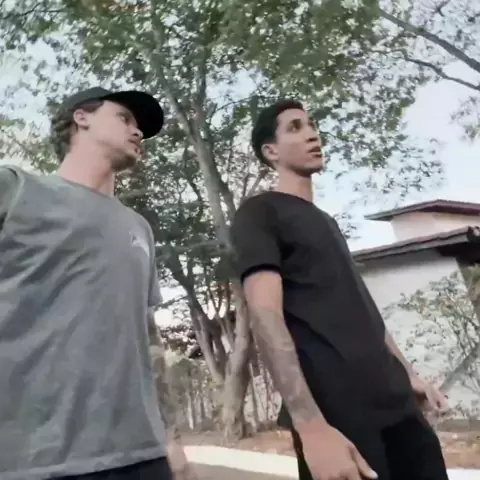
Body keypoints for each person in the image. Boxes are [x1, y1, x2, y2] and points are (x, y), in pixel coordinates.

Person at [230, 99, 450, 480]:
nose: (312, 134)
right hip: (339, 412)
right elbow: (266, 316)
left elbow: (363, 310)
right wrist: (310, 426)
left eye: (312, 125)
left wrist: (409, 374)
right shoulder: (260, 212)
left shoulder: (326, 222)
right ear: (271, 151)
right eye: (295, 127)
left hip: (397, 404)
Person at [0, 87, 197, 480]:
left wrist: (170, 436)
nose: (137, 131)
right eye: (125, 118)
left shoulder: (139, 227)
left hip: (142, 456)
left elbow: (148, 337)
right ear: (82, 117)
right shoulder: (16, 189)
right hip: (35, 461)